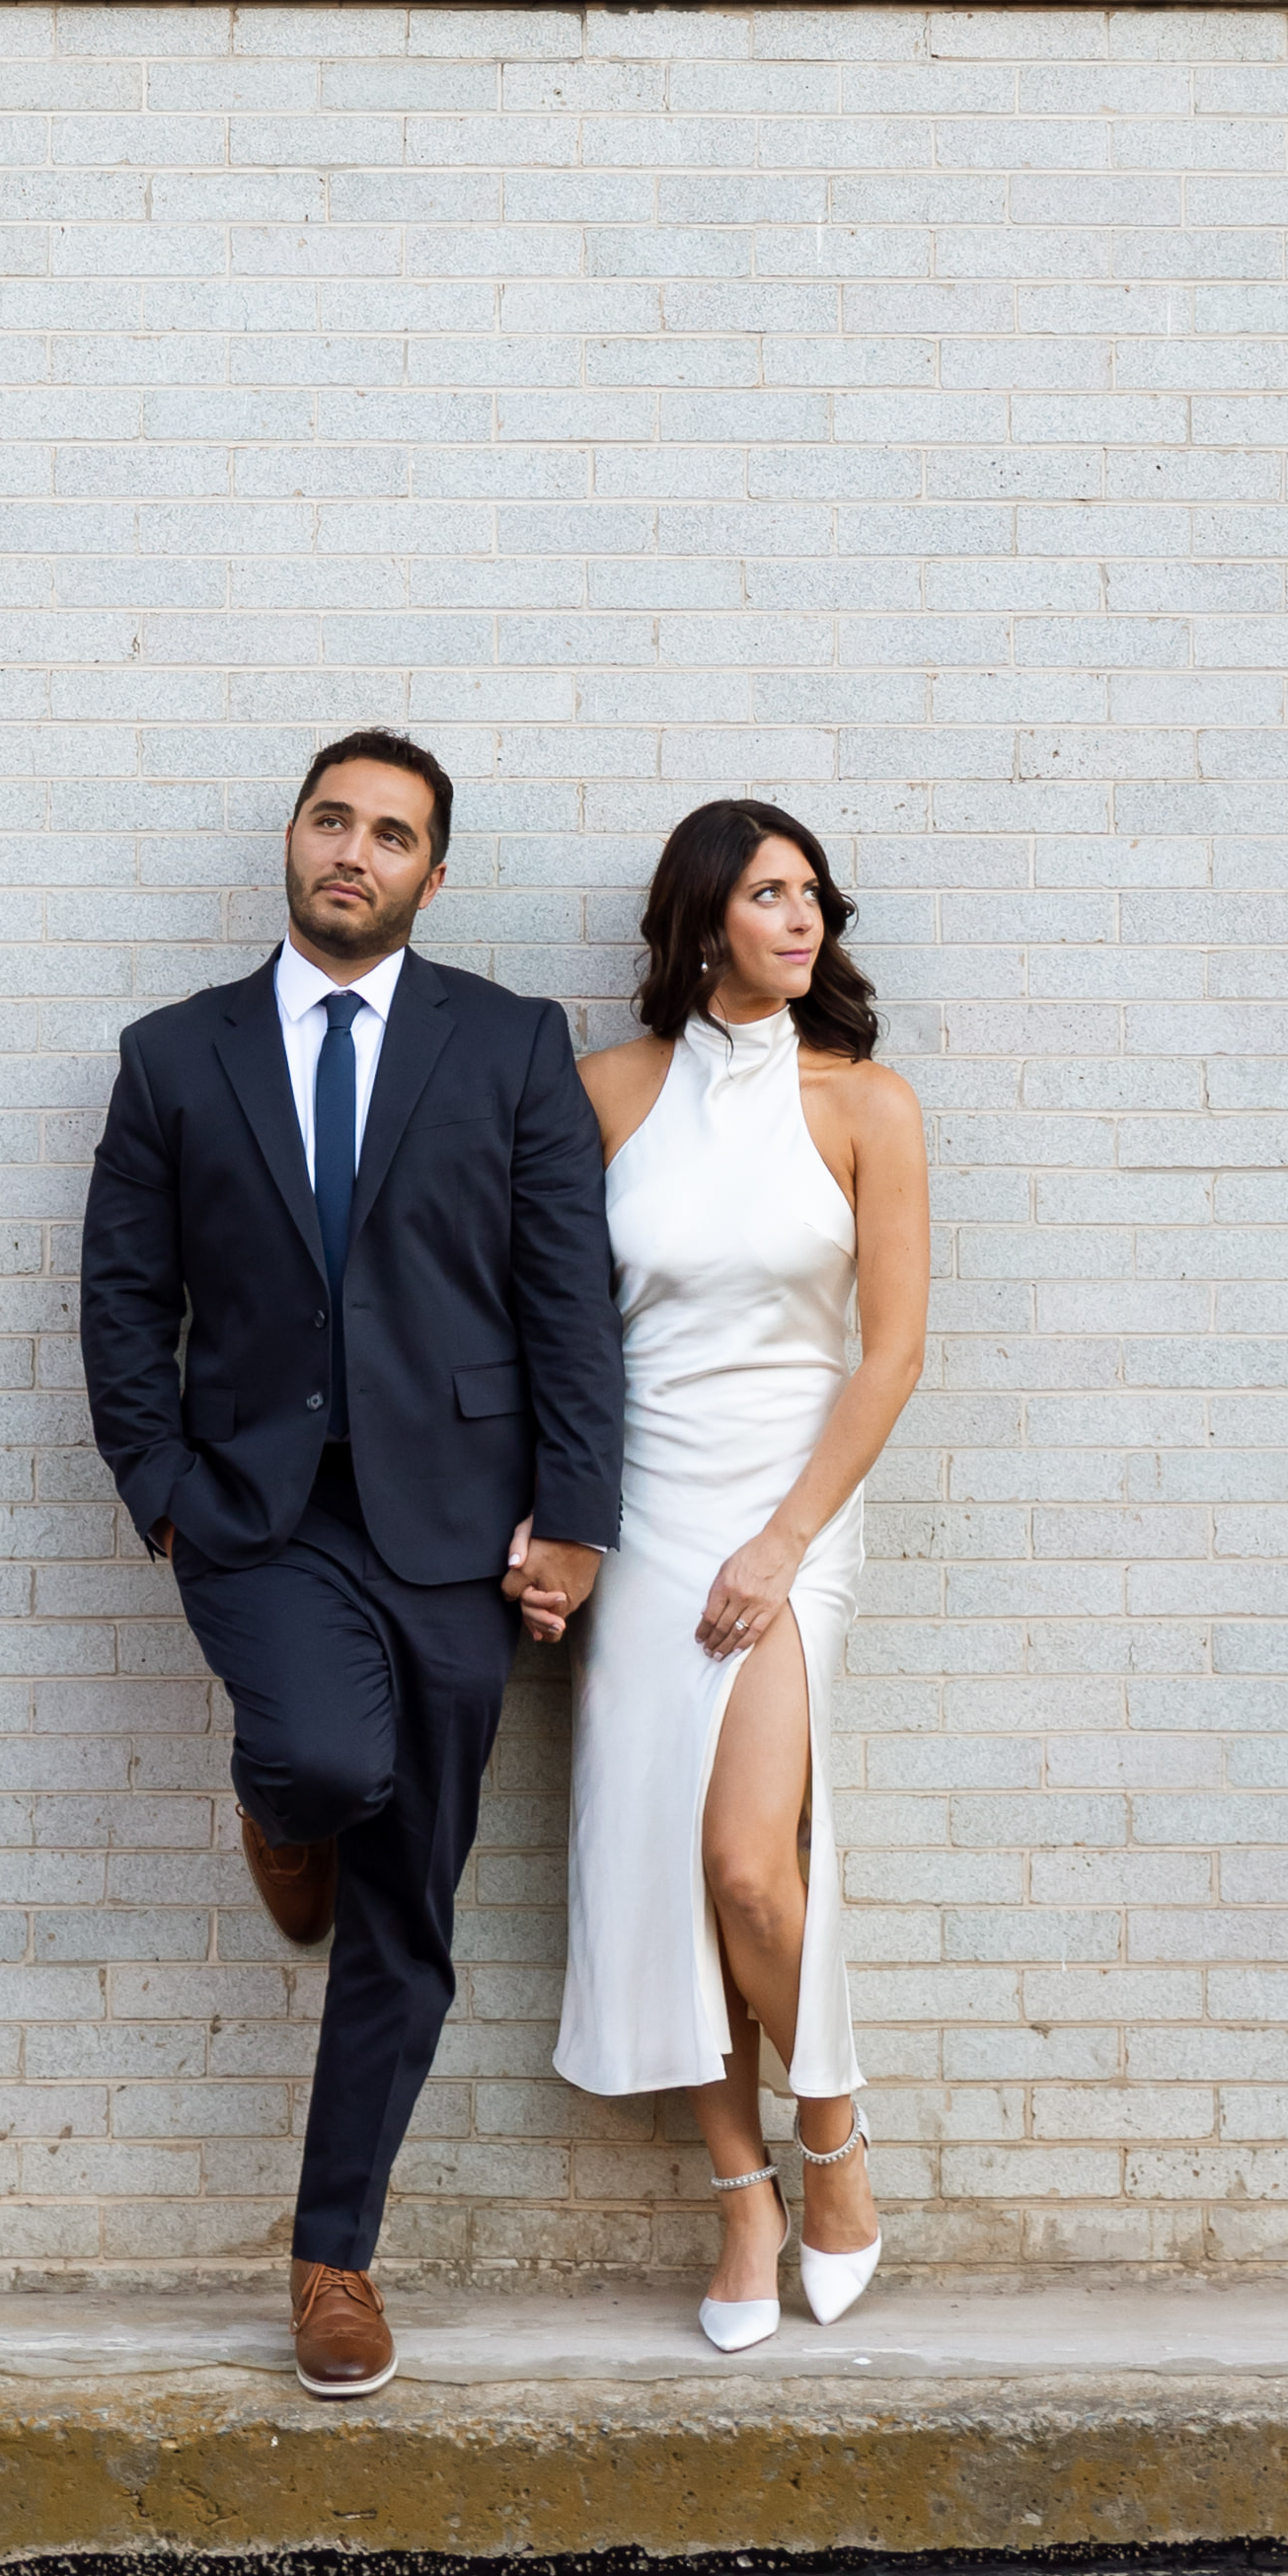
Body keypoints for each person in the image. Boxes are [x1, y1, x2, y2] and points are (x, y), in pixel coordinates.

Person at [77, 727, 625, 2399]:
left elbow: (565, 1301)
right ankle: (279, 1812)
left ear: (432, 876)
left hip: (458, 1526)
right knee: (319, 1755)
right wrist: (158, 1482)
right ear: (294, 840)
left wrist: (579, 1518)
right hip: (251, 1510)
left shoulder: (514, 1045)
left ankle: (335, 2259)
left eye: (394, 835)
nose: (355, 853)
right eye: (333, 820)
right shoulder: (178, 1056)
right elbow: (119, 1292)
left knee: (413, 1909)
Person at [533, 799, 931, 2350]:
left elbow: (891, 1355)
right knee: (652, 1868)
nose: (804, 916)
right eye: (771, 893)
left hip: (793, 1507)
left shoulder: (868, 1105)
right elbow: (556, 1337)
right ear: (703, 919)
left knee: (748, 1865)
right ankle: (741, 2195)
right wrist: (554, 1524)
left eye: (816, 894)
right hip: (643, 1512)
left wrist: (781, 1543)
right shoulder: (606, 1093)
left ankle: (833, 2151)